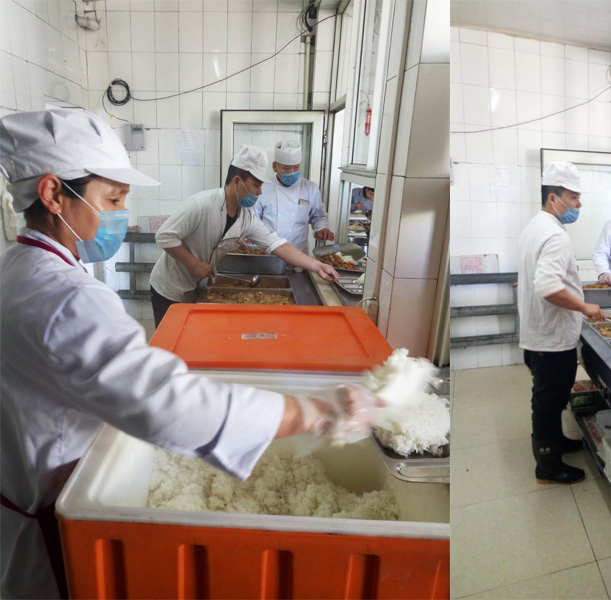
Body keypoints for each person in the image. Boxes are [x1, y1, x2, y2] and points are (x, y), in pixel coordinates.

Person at [0, 109, 381, 599]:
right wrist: (309, 412)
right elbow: (166, 401)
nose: (122, 215)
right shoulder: (68, 297)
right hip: (44, 526)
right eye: (113, 199)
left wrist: (315, 266)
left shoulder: (18, 266)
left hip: (26, 490)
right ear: (53, 194)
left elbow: (277, 244)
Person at [149, 144, 339, 326]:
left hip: (195, 285)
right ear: (237, 181)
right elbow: (164, 236)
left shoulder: (246, 217)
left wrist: (318, 266)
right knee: (169, 342)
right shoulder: (201, 204)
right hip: (169, 288)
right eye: (256, 185)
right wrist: (194, 264)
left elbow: (278, 245)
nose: (260, 192)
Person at [518, 161, 606, 485]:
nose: (578, 204)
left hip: (539, 334)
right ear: (553, 198)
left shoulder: (537, 226)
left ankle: (555, 442)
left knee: (551, 398)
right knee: (547, 401)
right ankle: (547, 466)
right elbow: (547, 286)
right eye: (573, 197)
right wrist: (584, 306)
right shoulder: (555, 236)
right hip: (551, 340)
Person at [255, 140, 334, 254]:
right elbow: (254, 220)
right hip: (268, 253)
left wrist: (322, 229)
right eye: (287, 168)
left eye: (296, 168)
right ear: (275, 167)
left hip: (299, 255)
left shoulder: (310, 188)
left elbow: (318, 216)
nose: (292, 172)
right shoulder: (263, 188)